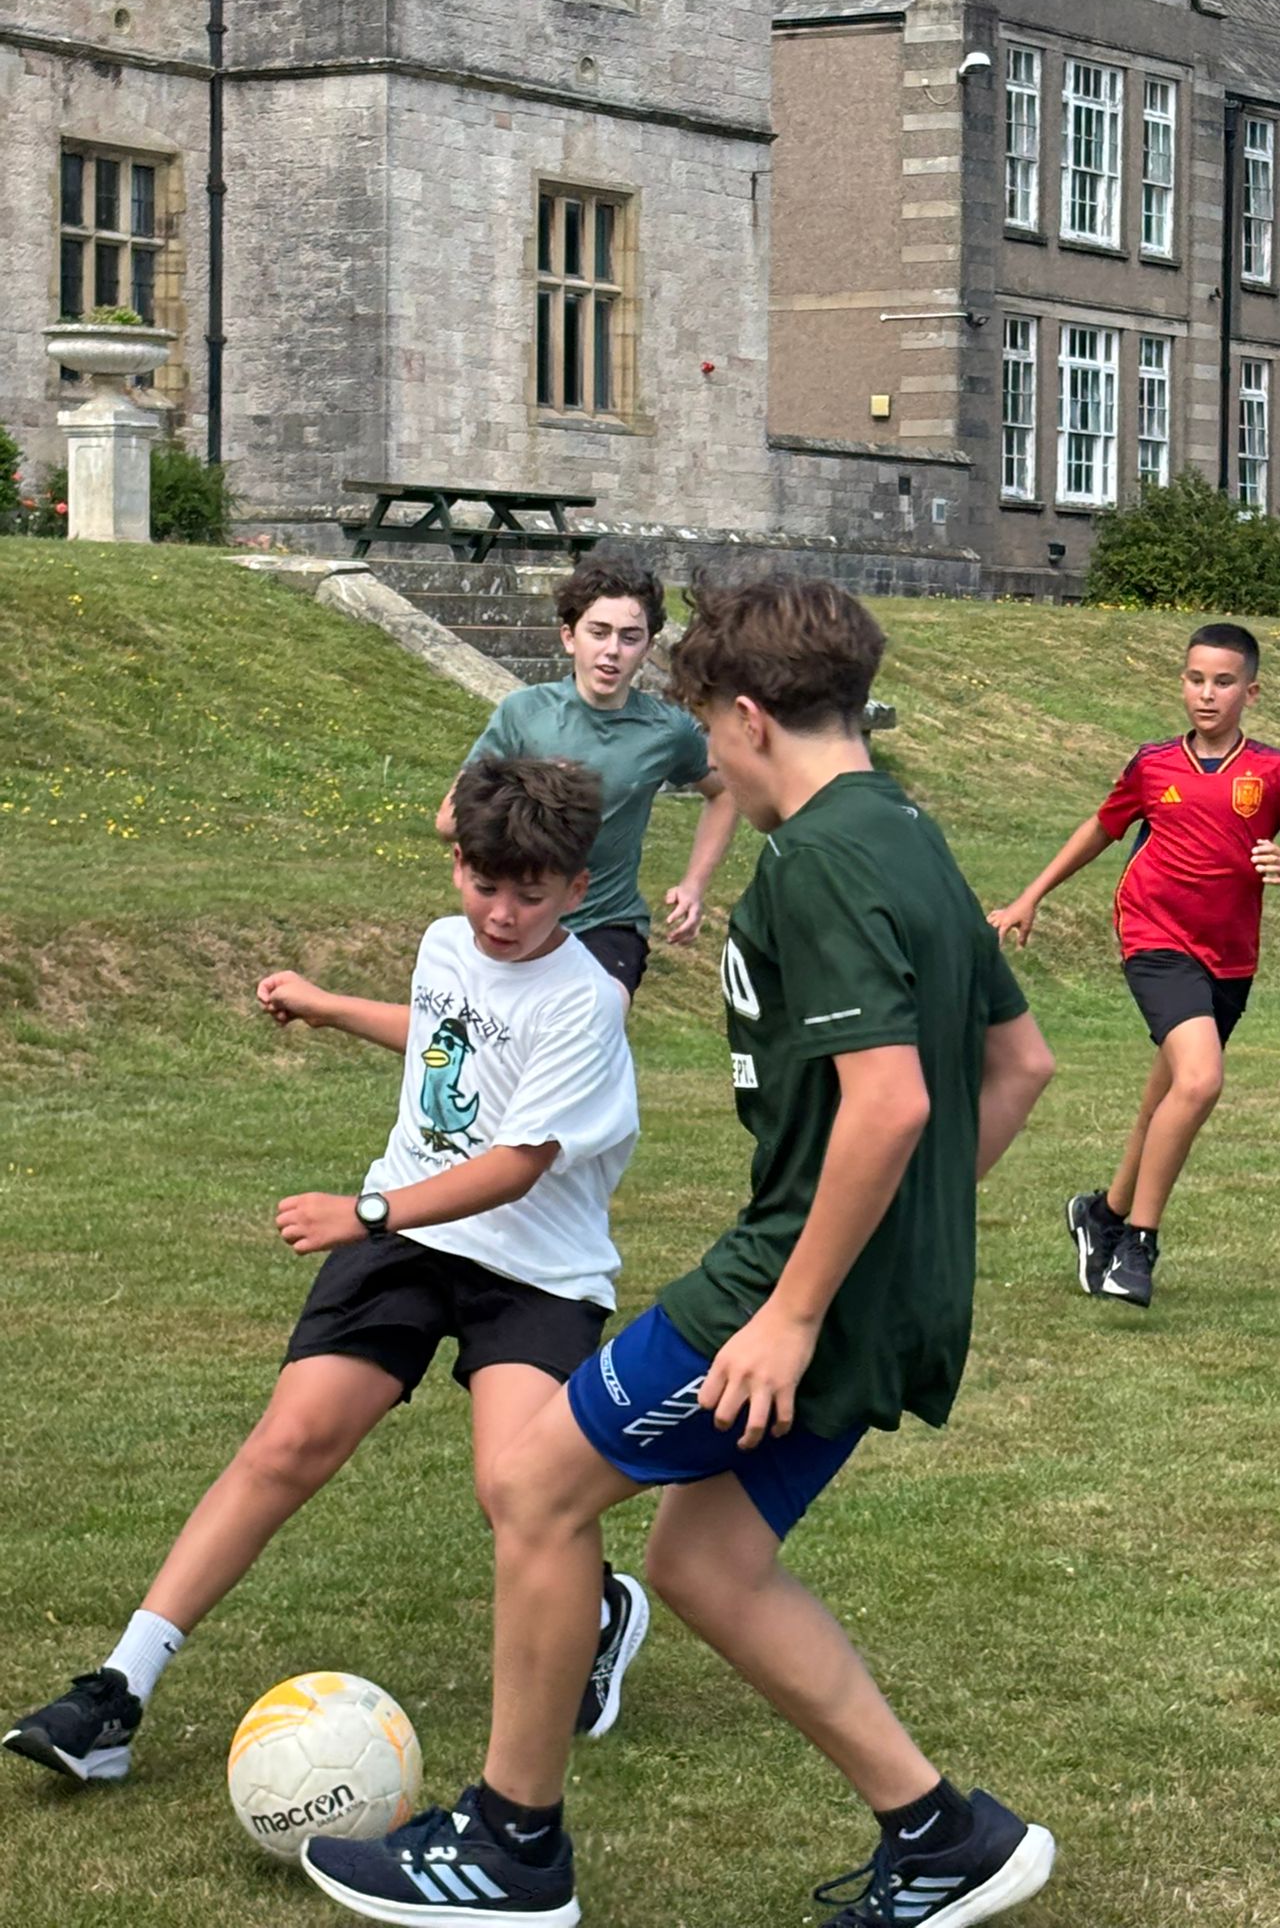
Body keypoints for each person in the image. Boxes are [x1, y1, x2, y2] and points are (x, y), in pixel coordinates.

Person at [299, 576, 1059, 1928]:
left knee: (536, 1488)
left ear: (750, 717)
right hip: (882, 1290)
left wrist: (796, 1308)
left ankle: (511, 1845)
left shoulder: (819, 858)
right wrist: (894, 1250)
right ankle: (943, 1834)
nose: (709, 761)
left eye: (708, 730)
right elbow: (1022, 1063)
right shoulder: (909, 831)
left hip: (782, 1289)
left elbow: (893, 1104)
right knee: (707, 1566)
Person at [4, 758, 648, 1791]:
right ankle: (117, 1690)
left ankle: (598, 1607)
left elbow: (519, 1160)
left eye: (531, 895)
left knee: (518, 1492)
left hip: (535, 1268)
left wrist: (366, 1212)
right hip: (411, 1239)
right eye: (485, 884)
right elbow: (444, 1039)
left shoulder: (585, 1001)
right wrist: (330, 1005)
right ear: (457, 863)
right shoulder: (446, 943)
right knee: (288, 1441)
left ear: (577, 888)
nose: (501, 914)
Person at [990, 623, 1280, 1310]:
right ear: (1182, 682)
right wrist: (1031, 895)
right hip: (1154, 936)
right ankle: (1138, 1246)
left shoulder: (1274, 772)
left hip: (1230, 958)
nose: (1207, 694)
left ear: (1251, 692)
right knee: (1200, 1081)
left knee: (1167, 1099)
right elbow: (1101, 827)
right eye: (1196, 679)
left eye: (1224, 682)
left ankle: (1103, 1214)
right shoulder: (1153, 764)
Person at [436, 559, 737, 1007]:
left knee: (595, 1018)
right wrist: (537, 791)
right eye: (598, 632)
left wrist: (694, 884)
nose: (612, 650)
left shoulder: (668, 731)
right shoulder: (524, 713)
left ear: (648, 646)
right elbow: (448, 822)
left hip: (608, 926)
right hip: (524, 918)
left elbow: (725, 792)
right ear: (568, 637)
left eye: (629, 637)